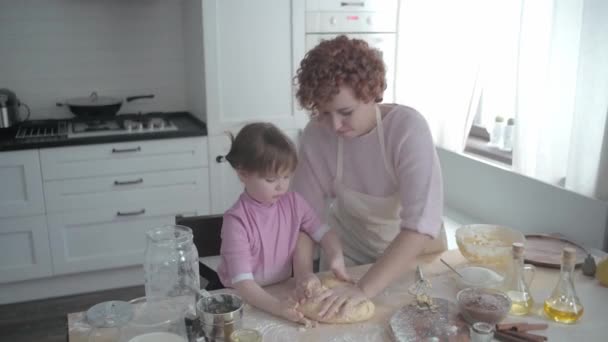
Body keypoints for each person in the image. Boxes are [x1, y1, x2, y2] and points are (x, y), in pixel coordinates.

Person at [291, 35, 447, 320]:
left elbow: (420, 225)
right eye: (324, 113)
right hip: (348, 257)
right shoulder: (317, 135)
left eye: (345, 112)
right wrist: (302, 274)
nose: (335, 125)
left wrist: (365, 289)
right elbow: (303, 217)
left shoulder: (406, 130)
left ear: (371, 92)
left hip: (412, 256)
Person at [216, 122, 348, 325]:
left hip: (283, 288)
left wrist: (336, 257)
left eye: (286, 176)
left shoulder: (294, 203)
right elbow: (243, 284)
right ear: (243, 174)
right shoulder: (237, 221)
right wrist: (279, 308)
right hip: (246, 299)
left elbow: (325, 234)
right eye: (270, 180)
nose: (281, 186)